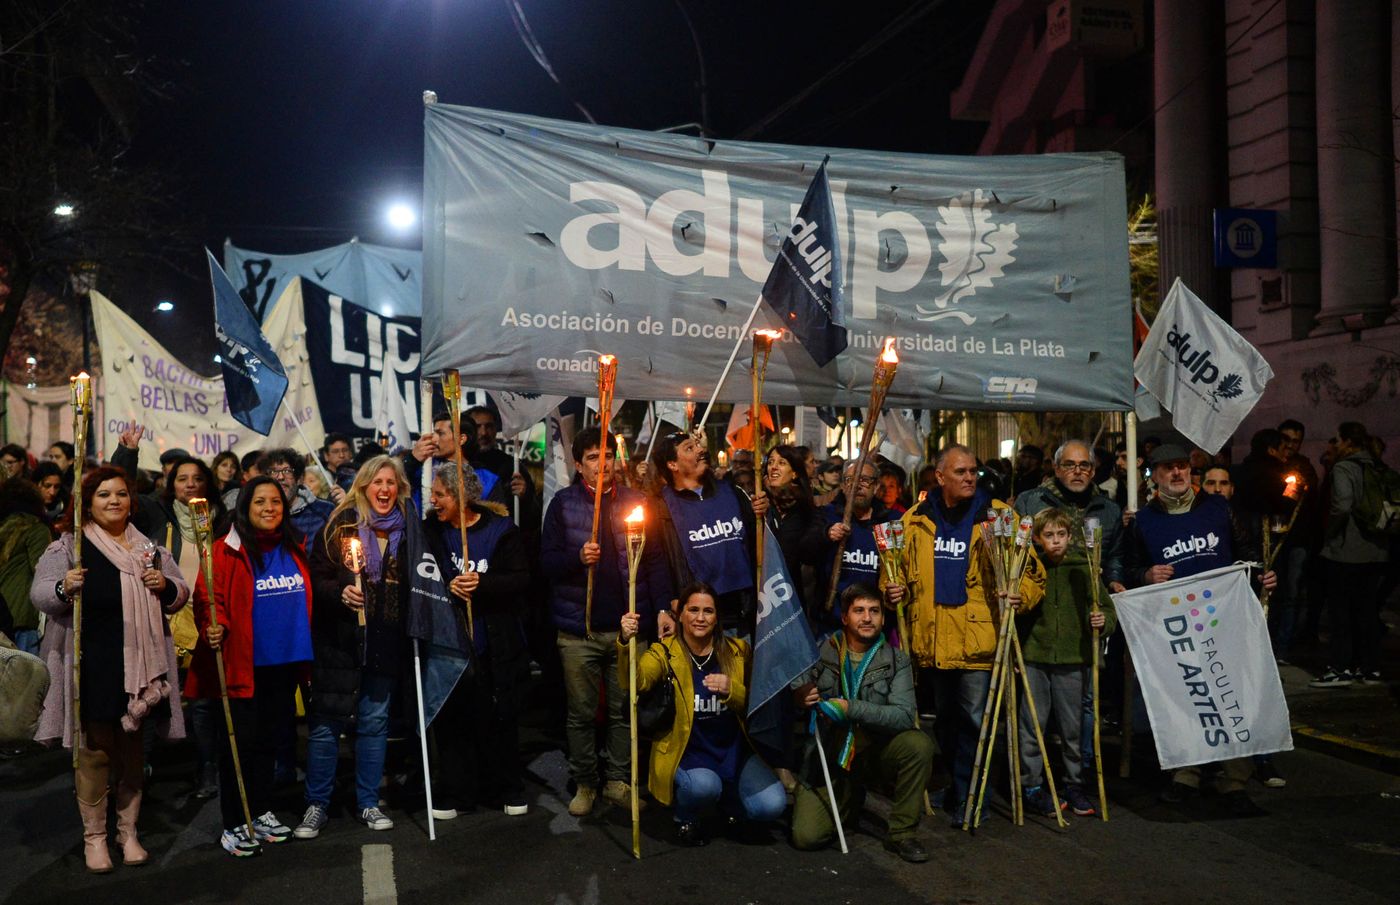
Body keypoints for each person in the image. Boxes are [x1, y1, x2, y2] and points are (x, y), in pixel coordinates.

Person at [31, 466, 189, 872]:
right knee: (97, 752)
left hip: (141, 665)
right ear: (88, 501)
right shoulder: (69, 547)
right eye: (103, 495)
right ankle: (95, 837)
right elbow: (41, 595)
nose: (114, 501)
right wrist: (65, 586)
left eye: (120, 494)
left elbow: (179, 591)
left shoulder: (146, 549)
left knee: (133, 750)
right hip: (93, 664)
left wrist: (164, 586)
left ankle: (129, 831)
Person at [1125, 444, 1275, 815]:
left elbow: (1248, 551)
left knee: (1233, 695)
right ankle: (1185, 773)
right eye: (1167, 468)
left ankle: (1234, 778)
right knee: (1186, 696)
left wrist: (1261, 575)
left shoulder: (1218, 508)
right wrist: (1145, 574)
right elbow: (1128, 569)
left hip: (1225, 619)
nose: (1176, 474)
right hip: (1175, 626)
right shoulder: (1143, 522)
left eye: (1181, 467)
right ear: (1154, 475)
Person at [899, 444, 1045, 823]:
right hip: (933, 639)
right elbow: (896, 573)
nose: (969, 478)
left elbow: (1032, 576)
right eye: (960, 472)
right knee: (945, 721)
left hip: (980, 643)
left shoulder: (999, 518)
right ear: (940, 476)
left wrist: (1020, 596)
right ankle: (958, 784)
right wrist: (890, 589)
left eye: (973, 472)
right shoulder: (916, 518)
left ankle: (970, 794)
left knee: (976, 721)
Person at [539, 428, 670, 816]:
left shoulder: (637, 503)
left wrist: (662, 608)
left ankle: (618, 780)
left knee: (624, 709)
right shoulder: (563, 505)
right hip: (579, 630)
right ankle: (585, 781)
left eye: (608, 455)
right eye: (594, 457)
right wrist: (577, 558)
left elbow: (656, 561)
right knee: (580, 712)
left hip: (626, 628)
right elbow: (546, 563)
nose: (603, 464)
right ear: (579, 465)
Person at [186, 476, 312, 857]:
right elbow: (209, 596)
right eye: (260, 502)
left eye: (276, 501)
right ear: (246, 507)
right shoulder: (226, 549)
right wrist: (215, 622)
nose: (269, 508)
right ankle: (234, 822)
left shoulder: (295, 543)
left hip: (285, 661)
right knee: (240, 745)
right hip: (244, 663)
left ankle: (261, 811)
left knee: (271, 741)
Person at [297, 455, 418, 838]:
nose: (384, 489)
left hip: (385, 640)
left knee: (374, 723)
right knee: (326, 725)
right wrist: (339, 591)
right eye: (377, 482)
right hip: (340, 642)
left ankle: (368, 801)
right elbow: (315, 579)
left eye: (391, 483)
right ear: (363, 486)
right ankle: (316, 803)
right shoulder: (339, 525)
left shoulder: (409, 530)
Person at [619, 582, 786, 846]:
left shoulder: (737, 651)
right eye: (693, 609)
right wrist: (625, 643)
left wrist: (733, 690)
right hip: (688, 752)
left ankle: (731, 806)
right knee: (704, 787)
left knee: (772, 804)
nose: (700, 617)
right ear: (680, 614)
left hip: (733, 751)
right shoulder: (664, 652)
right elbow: (636, 682)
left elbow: (758, 704)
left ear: (717, 617)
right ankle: (686, 817)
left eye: (708, 611)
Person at [790, 583, 934, 863]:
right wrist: (800, 696)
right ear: (845, 617)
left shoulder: (896, 661)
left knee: (918, 745)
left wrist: (851, 708)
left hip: (877, 751)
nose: (867, 618)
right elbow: (795, 694)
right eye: (859, 611)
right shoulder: (820, 653)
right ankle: (849, 800)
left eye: (874, 611)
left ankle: (902, 834)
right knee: (806, 837)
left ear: (883, 617)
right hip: (832, 755)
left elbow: (904, 716)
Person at [423, 462, 531, 818]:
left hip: (494, 645)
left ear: (461, 496)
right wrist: (448, 585)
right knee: (454, 722)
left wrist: (481, 585)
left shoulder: (501, 531)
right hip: (450, 647)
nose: (433, 501)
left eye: (440, 494)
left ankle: (507, 787)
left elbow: (520, 580)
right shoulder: (430, 532)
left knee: (498, 720)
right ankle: (457, 791)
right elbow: (421, 576)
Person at [1015, 509, 1115, 818]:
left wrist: (1101, 621)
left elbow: (1106, 611)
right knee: (1032, 725)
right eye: (1049, 536)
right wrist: (1014, 652)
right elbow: (1020, 615)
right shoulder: (1030, 568)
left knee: (1072, 727)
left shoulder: (1084, 569)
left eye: (1061, 535)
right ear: (1037, 539)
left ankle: (1074, 783)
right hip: (1034, 657)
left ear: (1069, 537)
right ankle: (1031, 784)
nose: (1056, 542)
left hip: (1072, 659)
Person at [651, 431, 765, 635]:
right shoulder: (661, 508)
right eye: (690, 448)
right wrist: (665, 604)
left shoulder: (733, 492)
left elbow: (759, 542)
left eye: (698, 445)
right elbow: (656, 564)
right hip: (694, 621)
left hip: (741, 615)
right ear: (672, 465)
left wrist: (764, 513)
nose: (701, 450)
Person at [1311, 422, 1390, 688]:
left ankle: (1340, 667)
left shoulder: (1344, 467)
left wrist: (1330, 534)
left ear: (1347, 441)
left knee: (1340, 612)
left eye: (1336, 439)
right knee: (1366, 611)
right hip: (1376, 550)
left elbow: (1342, 505)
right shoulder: (1378, 467)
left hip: (1345, 551)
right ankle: (1368, 668)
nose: (1333, 444)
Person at [815, 460, 895, 634]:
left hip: (874, 627)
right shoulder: (827, 515)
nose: (858, 485)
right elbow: (805, 549)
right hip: (832, 625)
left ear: (876, 487)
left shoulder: (887, 523)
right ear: (843, 485)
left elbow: (897, 569)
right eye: (851, 479)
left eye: (865, 480)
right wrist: (826, 534)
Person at [762, 445, 825, 618]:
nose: (773, 467)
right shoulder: (759, 503)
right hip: (762, 597)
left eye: (781, 462)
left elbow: (809, 553)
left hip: (793, 596)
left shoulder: (805, 510)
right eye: (771, 462)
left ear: (795, 473)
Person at [1, 477, 54, 655]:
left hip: (4, 613)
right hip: (22, 616)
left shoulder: (5, 527)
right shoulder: (36, 529)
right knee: (25, 678)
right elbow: (43, 572)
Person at [261, 448, 336, 540]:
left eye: (287, 471)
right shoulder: (260, 514)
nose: (280, 477)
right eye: (273, 471)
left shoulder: (325, 510)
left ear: (300, 479)